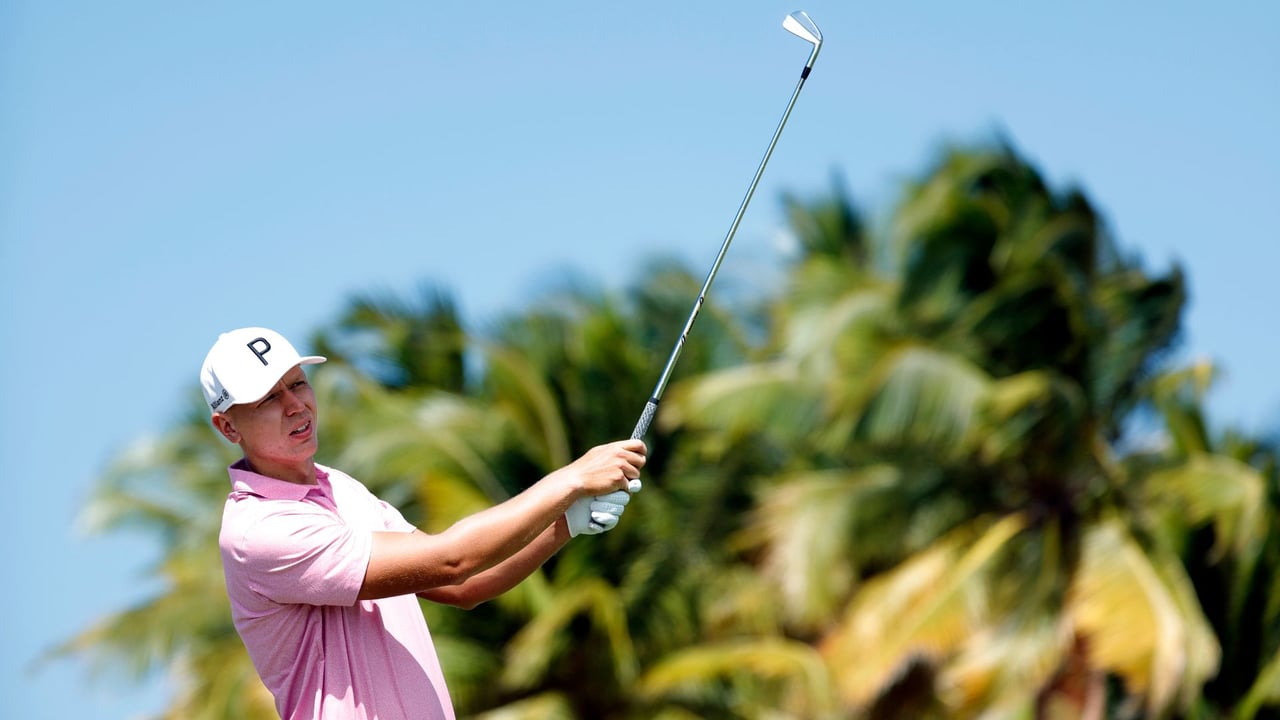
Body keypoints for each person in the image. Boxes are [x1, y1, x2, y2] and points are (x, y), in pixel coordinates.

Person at [200, 326, 646, 719]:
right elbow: (450, 560)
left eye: (298, 383)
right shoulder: (258, 529)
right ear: (228, 427)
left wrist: (564, 523)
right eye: (268, 398)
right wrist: (570, 480)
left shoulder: (342, 489)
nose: (295, 405)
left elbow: (462, 587)